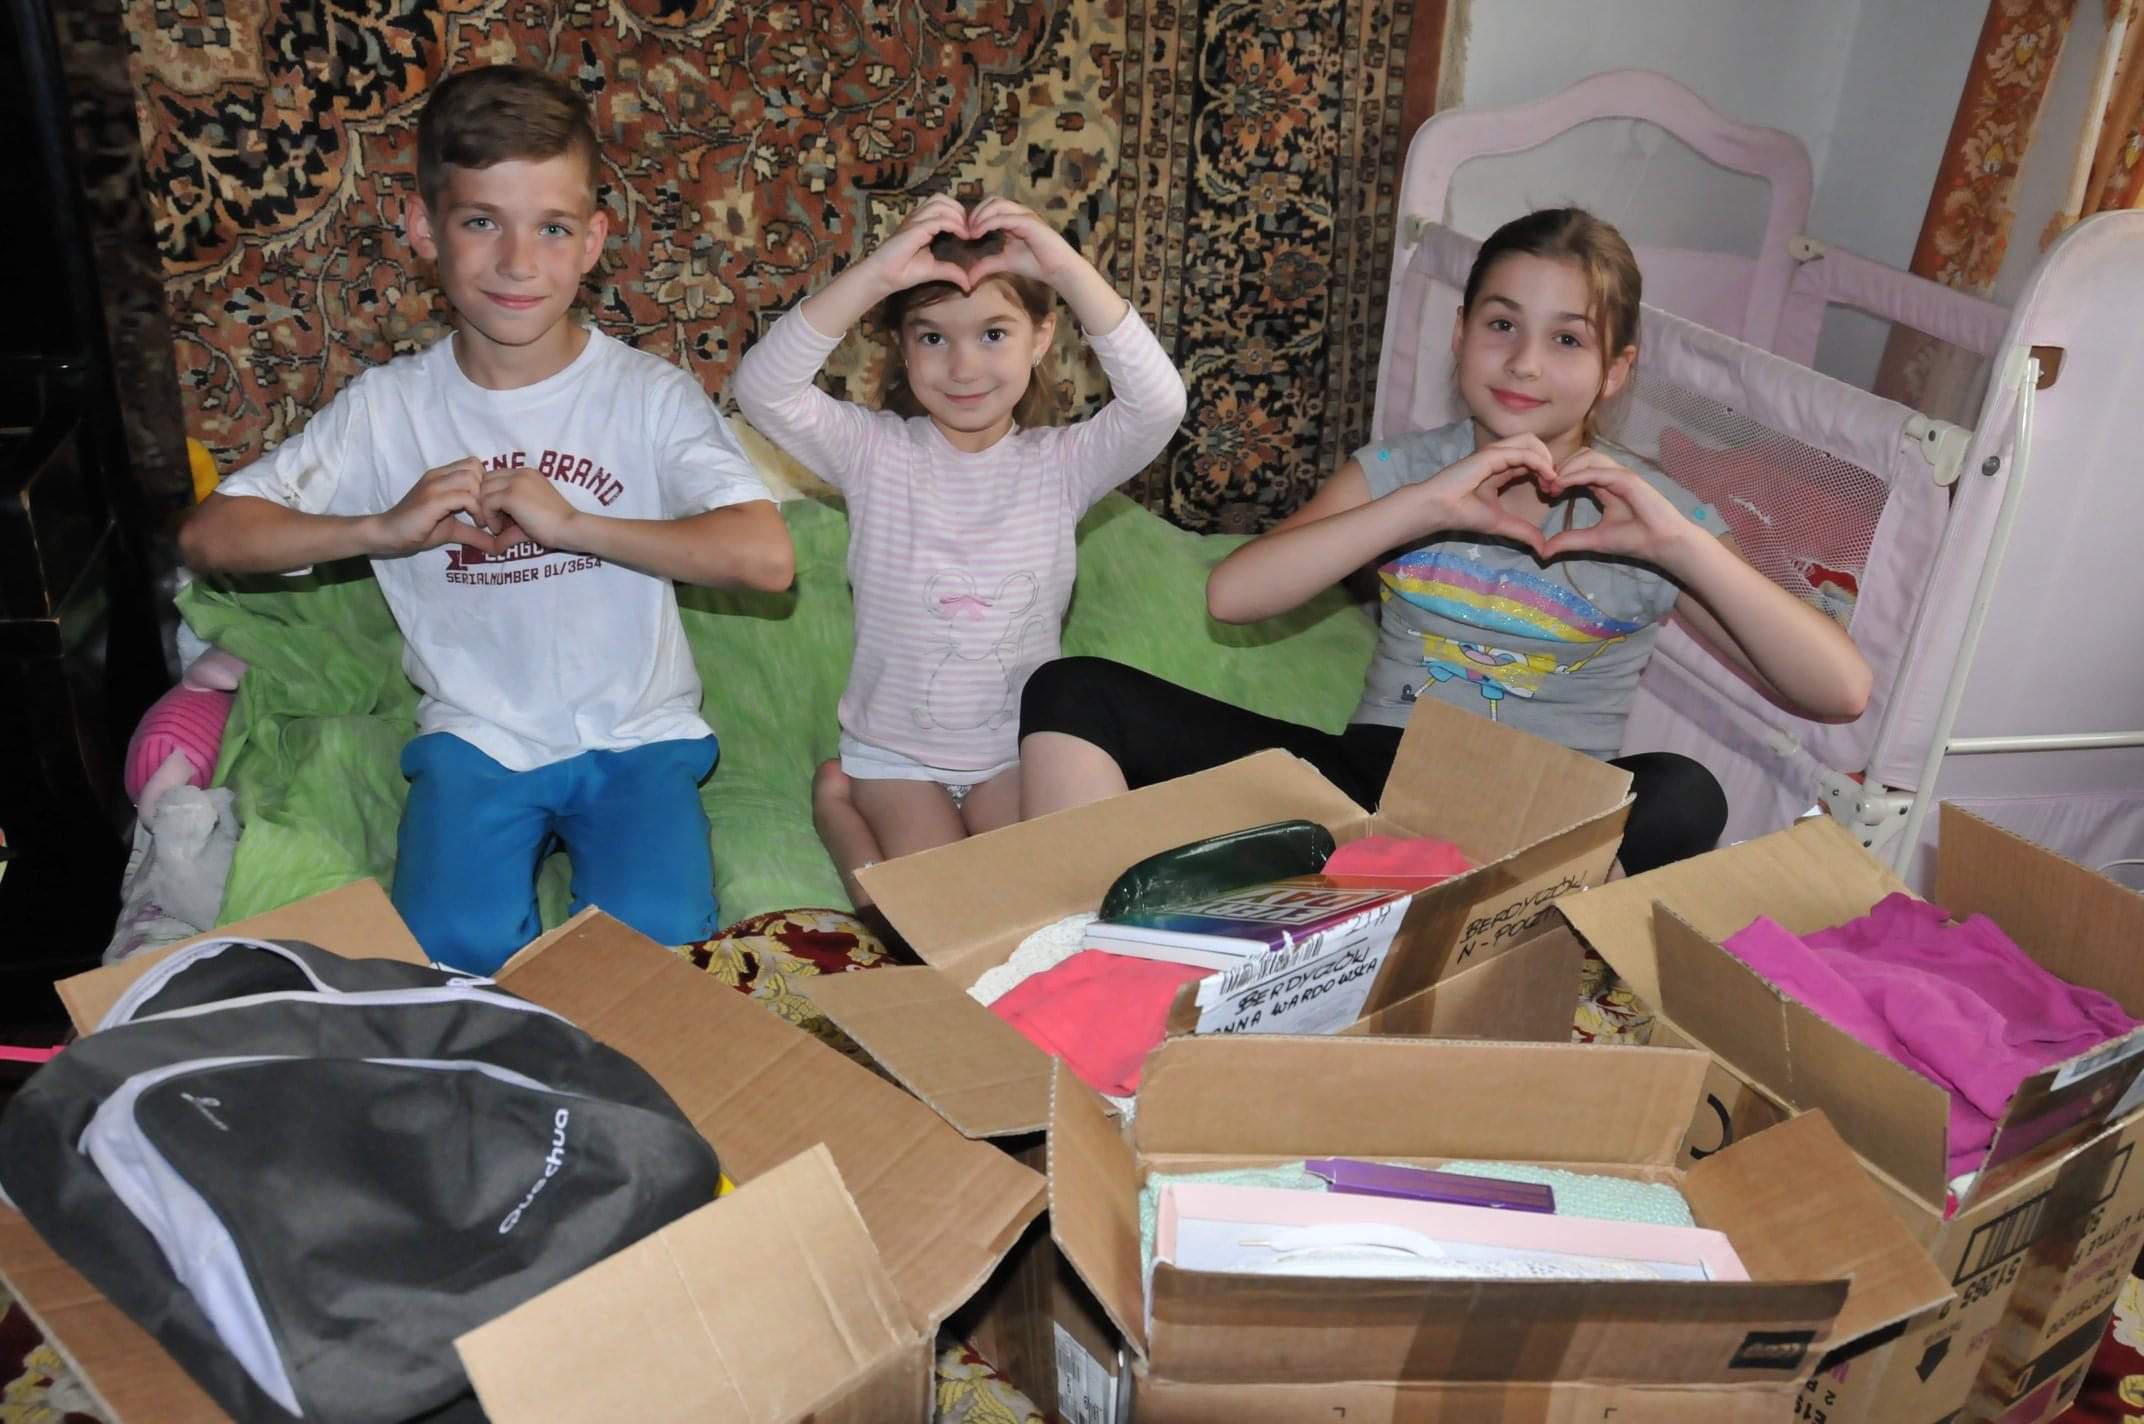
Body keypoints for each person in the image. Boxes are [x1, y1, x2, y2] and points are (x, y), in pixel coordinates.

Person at [1019, 207, 1871, 876]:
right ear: (1460, 334)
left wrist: (1680, 546)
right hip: (1373, 790)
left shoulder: (1655, 515)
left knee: (1685, 791)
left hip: (1541, 818)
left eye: (1567, 339)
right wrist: (1422, 507)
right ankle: (1083, 944)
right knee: (1073, 691)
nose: (1525, 362)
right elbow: (1234, 595)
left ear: (1615, 371)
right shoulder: (1404, 472)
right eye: (1502, 325)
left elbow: (1840, 691)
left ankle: (1477, 934)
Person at [178, 65, 793, 972]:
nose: (517, 262)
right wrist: (380, 529)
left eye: (552, 228)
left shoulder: (647, 395)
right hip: (475, 736)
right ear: (425, 230)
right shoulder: (389, 409)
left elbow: (767, 558)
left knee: (656, 947)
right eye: (481, 223)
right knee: (451, 948)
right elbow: (210, 535)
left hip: (638, 735)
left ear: (593, 241)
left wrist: (573, 526)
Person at [732, 194, 1187, 907]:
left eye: (994, 334)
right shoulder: (873, 454)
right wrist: (878, 274)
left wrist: (1065, 270)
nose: (964, 366)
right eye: (933, 338)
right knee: (932, 914)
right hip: (895, 759)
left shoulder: (1063, 465)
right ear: (901, 346)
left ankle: (855, 813)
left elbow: (1159, 405)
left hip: (1015, 756)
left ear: (1042, 337)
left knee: (1046, 902)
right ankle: (837, 806)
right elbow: (762, 389)